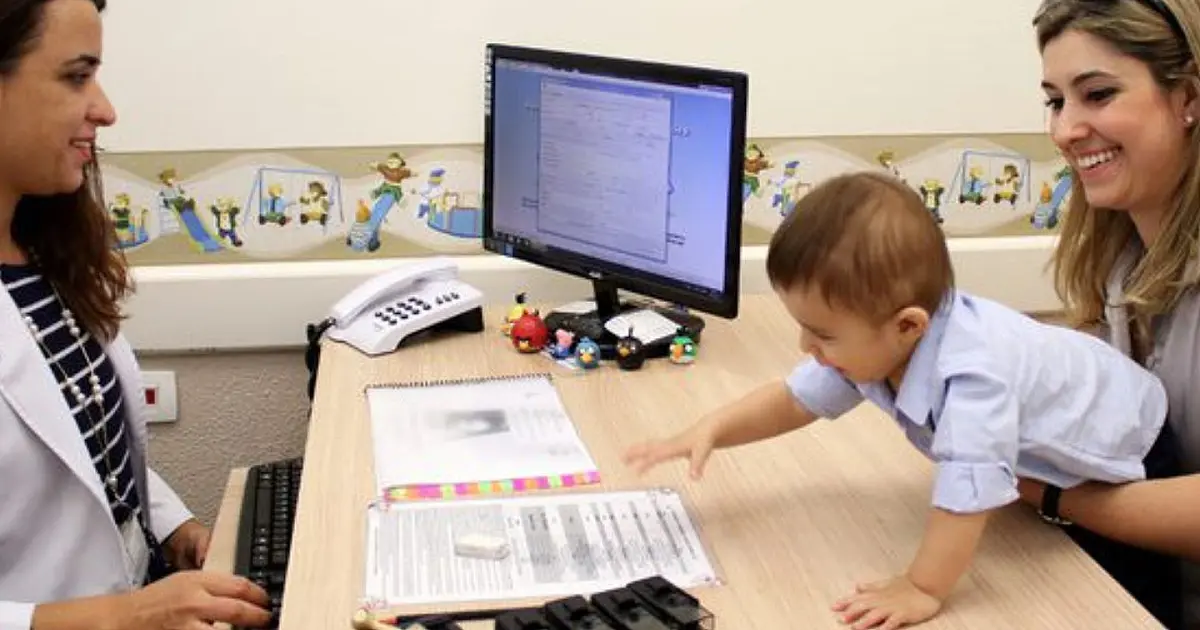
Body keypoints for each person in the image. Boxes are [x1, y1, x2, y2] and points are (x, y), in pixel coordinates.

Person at [623, 172, 1183, 629]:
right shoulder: (881, 344)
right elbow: (794, 400)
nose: (806, 347)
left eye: (823, 334)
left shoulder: (973, 380)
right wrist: (710, 429)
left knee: (1124, 593)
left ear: (907, 325)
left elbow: (967, 492)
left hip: (1128, 446)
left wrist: (921, 587)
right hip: (1069, 424)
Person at [0, 1, 272, 629]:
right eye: (75, 77)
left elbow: (85, 453)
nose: (105, 108)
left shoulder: (43, 249)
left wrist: (172, 526)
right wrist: (124, 615)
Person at [1016, 0, 1200, 627]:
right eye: (1056, 101)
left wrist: (1050, 495)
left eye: (1097, 94)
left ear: (1189, 97)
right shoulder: (1122, 253)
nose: (1066, 130)